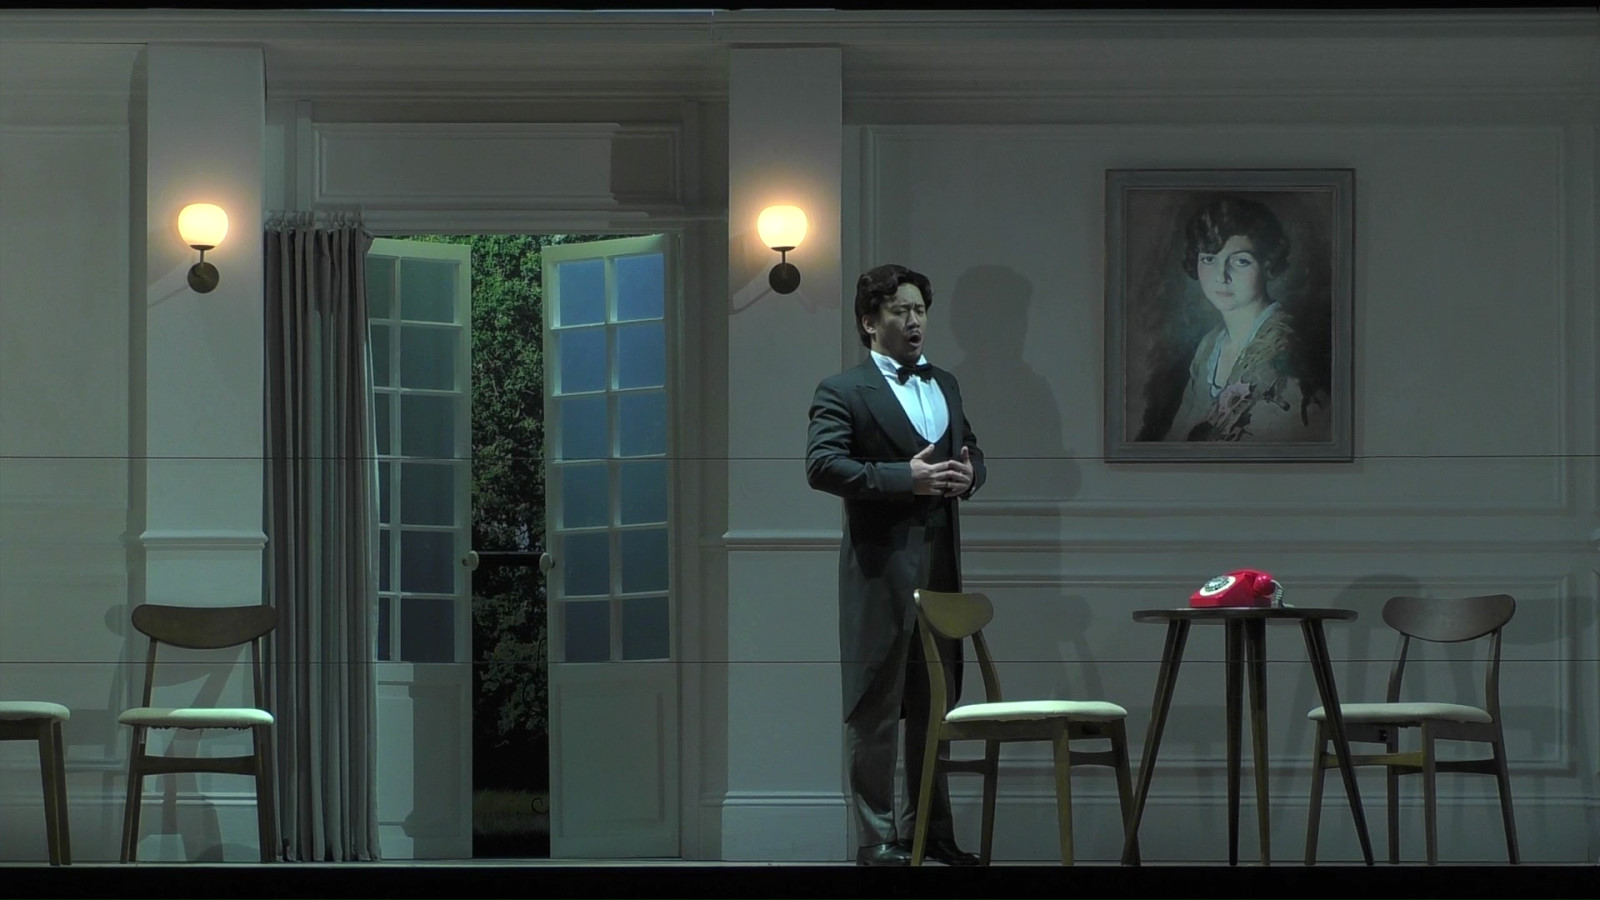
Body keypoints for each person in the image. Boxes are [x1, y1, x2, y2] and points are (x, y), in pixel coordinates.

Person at [805, 264, 985, 867]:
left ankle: (929, 831)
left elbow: (972, 450)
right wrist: (902, 478)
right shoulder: (843, 389)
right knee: (875, 706)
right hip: (878, 571)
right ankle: (876, 838)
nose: (914, 322)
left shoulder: (947, 383)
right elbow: (822, 465)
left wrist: (969, 476)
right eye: (900, 311)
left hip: (940, 566)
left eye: (920, 311)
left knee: (937, 703)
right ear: (869, 321)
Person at [1161, 195, 1330, 442]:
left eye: (1241, 261)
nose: (1221, 276)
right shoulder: (1209, 346)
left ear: (1268, 264)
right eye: (1209, 259)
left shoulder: (1289, 351)